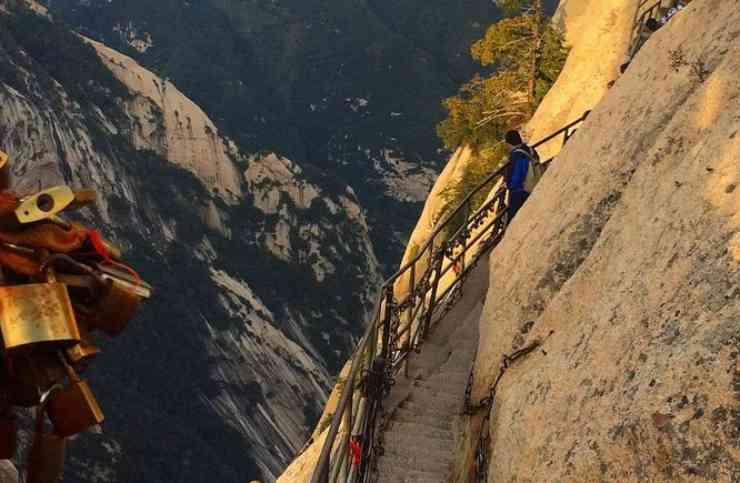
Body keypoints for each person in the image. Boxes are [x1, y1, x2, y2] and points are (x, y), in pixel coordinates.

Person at [503, 130, 537, 221]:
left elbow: (517, 178)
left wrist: (508, 185)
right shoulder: (530, 150)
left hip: (522, 192)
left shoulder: (517, 155)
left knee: (513, 221)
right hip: (535, 183)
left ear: (508, 143)